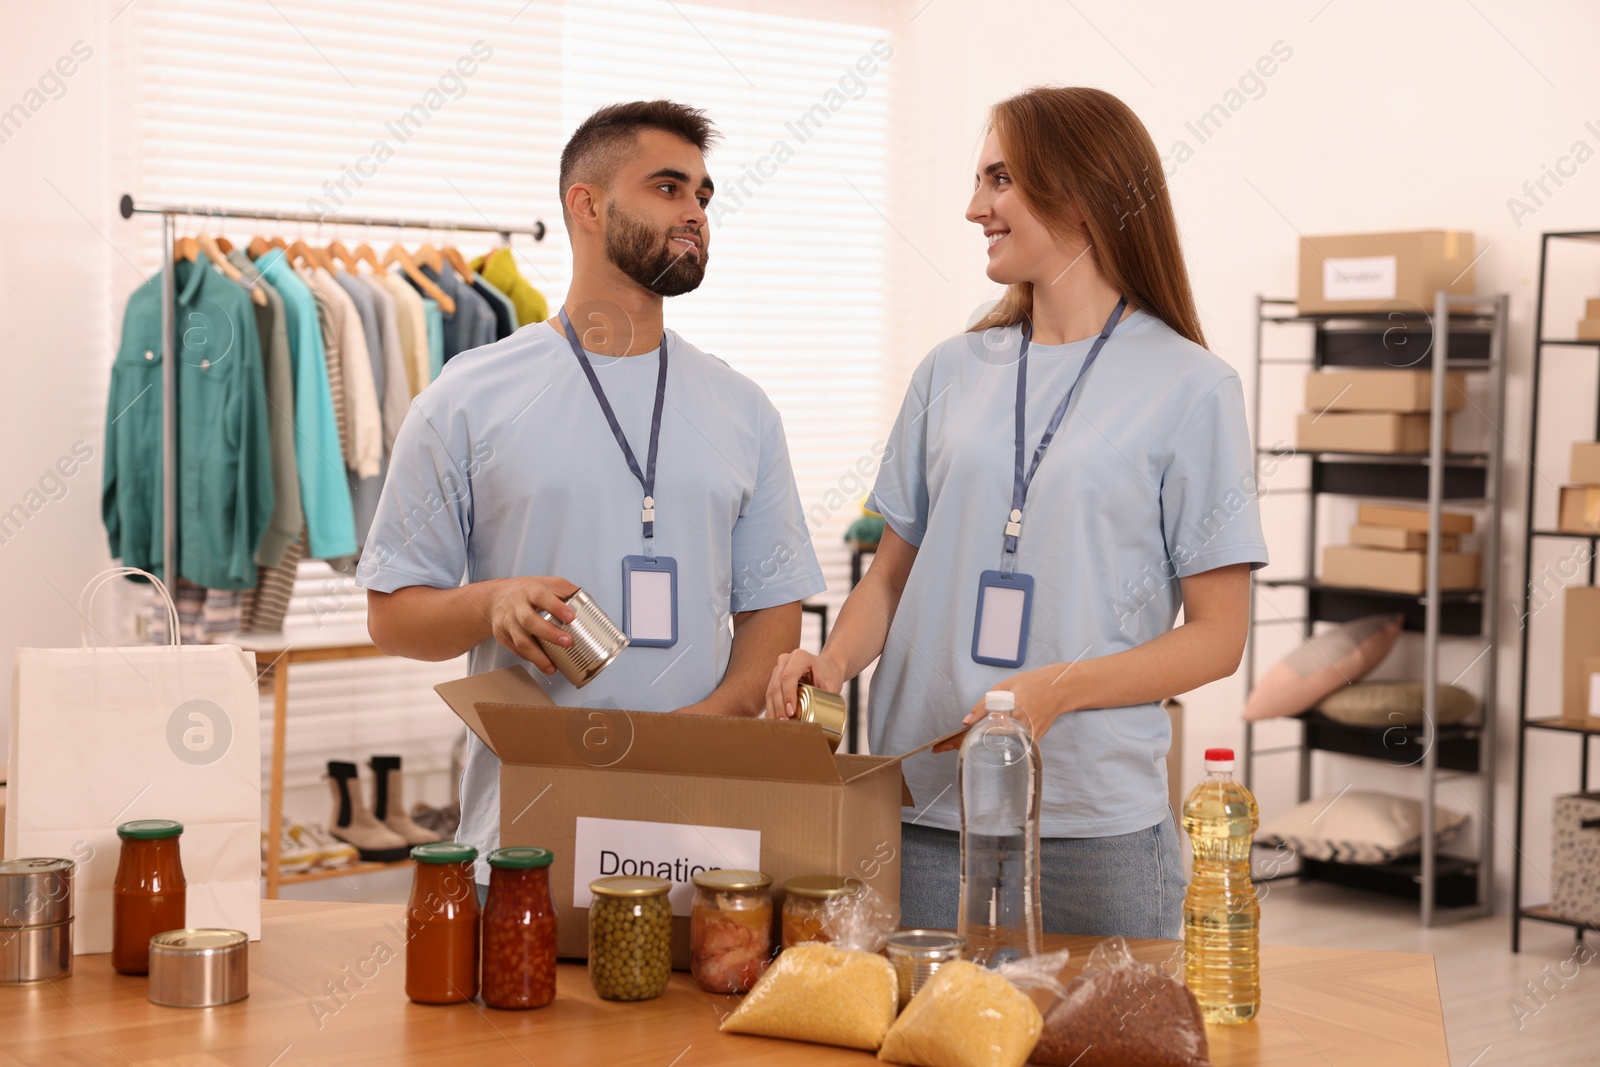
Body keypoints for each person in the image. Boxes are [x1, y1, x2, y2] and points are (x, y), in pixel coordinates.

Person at [765, 86, 1267, 939]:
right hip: (921, 801)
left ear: (1078, 191)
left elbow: (1218, 636)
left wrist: (1059, 690)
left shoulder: (1193, 387)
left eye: (1000, 179)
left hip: (1090, 820)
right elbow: (890, 579)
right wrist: (834, 662)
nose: (974, 208)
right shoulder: (950, 372)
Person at [361, 100, 825, 890]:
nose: (694, 215)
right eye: (669, 188)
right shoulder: (469, 396)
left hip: (704, 847)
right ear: (587, 204)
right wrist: (493, 601)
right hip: (524, 840)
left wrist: (702, 729)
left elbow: (772, 610)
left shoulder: (744, 409)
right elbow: (392, 614)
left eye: (703, 197)